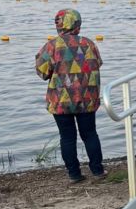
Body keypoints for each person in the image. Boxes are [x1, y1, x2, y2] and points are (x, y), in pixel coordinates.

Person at [35, 9, 105, 183]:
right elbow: (98, 64)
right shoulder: (89, 44)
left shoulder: (51, 46)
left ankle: (74, 174)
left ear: (59, 25)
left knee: (67, 137)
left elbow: (42, 72)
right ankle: (97, 171)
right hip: (87, 98)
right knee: (90, 134)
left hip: (61, 101)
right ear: (77, 25)